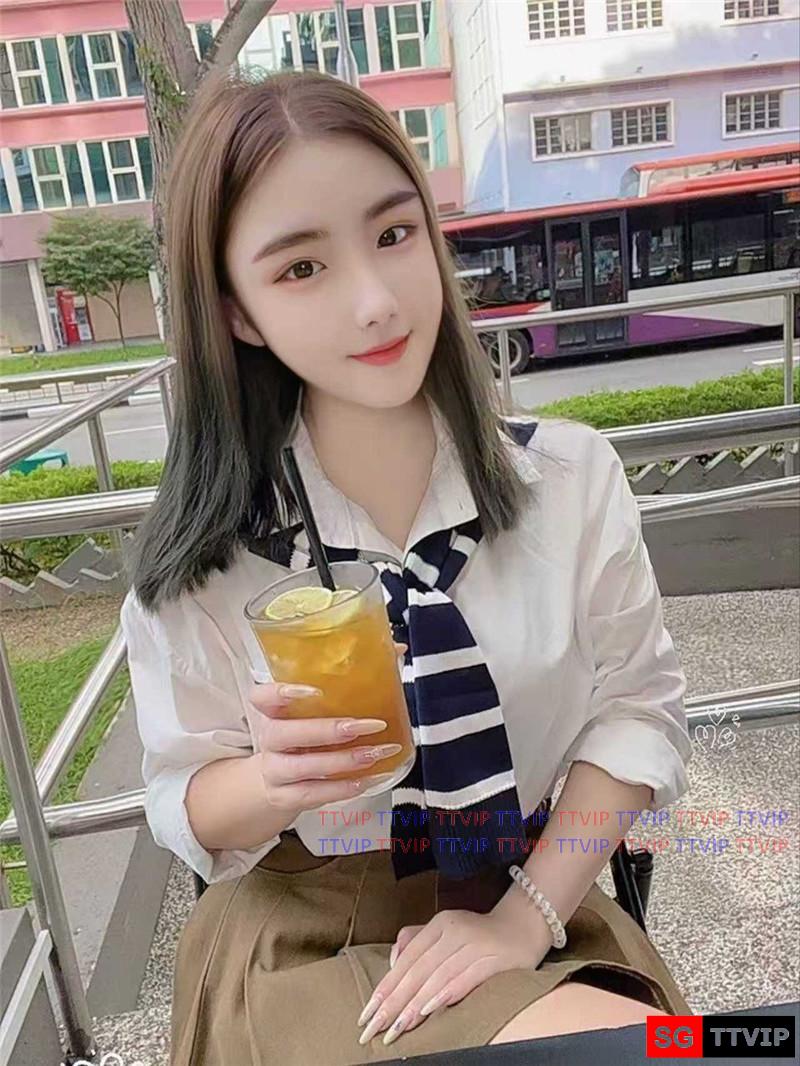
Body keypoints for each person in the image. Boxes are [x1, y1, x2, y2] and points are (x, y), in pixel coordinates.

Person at [120, 69, 693, 1066]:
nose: (376, 302)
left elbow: (636, 711)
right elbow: (184, 792)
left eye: (393, 234)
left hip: (529, 897)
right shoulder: (210, 555)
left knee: (680, 1052)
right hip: (305, 933)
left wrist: (522, 919)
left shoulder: (567, 481)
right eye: (302, 267)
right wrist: (274, 778)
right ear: (239, 312)